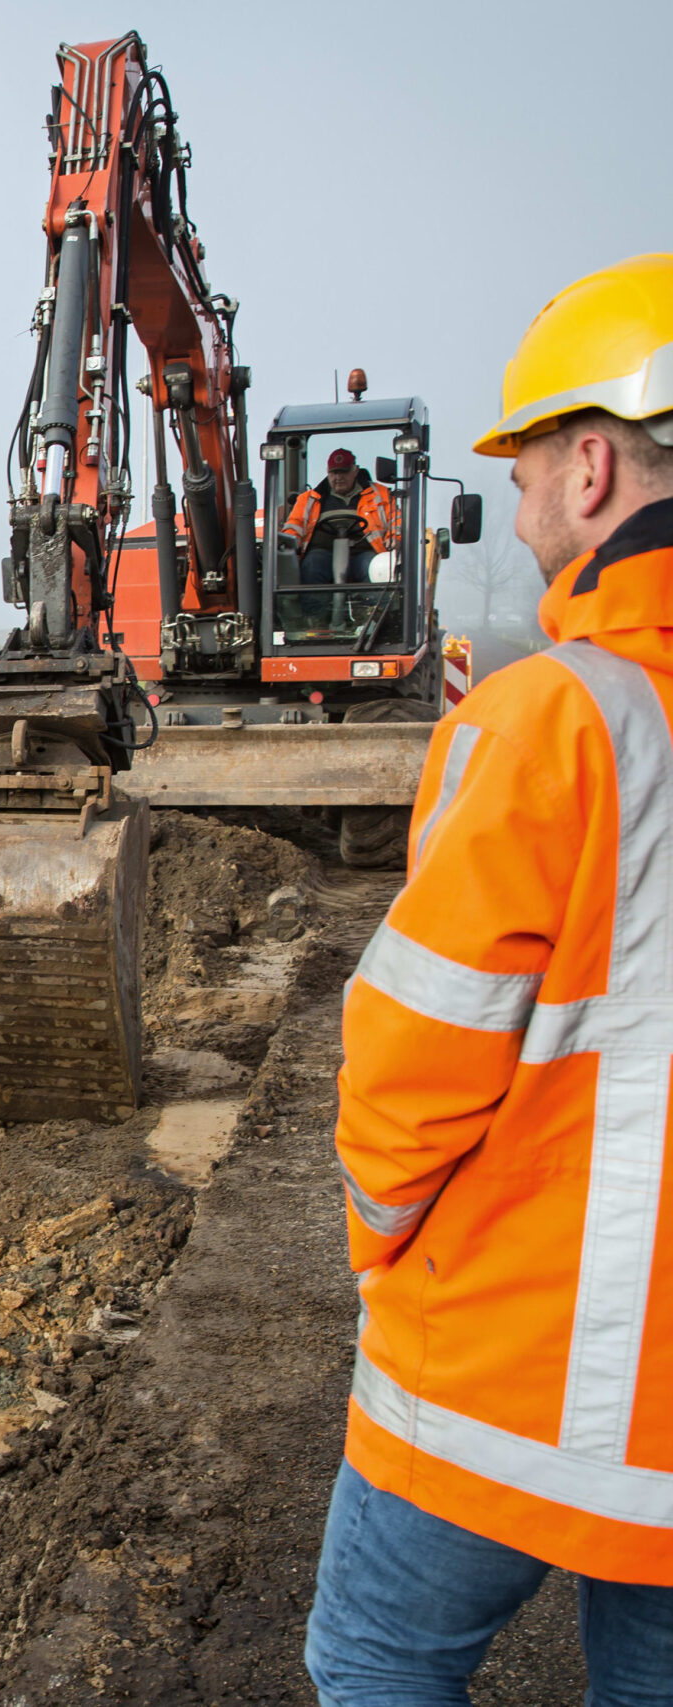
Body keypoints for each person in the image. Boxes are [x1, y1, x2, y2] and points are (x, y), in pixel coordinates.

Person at [308, 254, 673, 1701]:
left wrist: (391, 1258)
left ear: (591, 467)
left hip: (514, 1372)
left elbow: (407, 1071)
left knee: (379, 1656)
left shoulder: (557, 722)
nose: (515, 519)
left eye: (521, 475)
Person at [283, 446, 404, 585]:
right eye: (334, 473)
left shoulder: (379, 494)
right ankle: (315, 606)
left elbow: (396, 521)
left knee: (373, 567)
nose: (338, 477)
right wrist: (289, 544)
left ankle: (374, 606)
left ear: (355, 471)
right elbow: (294, 524)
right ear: (327, 473)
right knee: (312, 565)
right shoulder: (309, 499)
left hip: (363, 553)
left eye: (344, 472)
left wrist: (394, 538)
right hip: (323, 554)